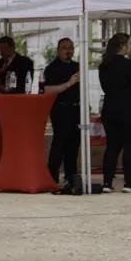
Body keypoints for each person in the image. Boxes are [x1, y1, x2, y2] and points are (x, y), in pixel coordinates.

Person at [98, 32, 131, 194]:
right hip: (130, 110)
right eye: (130, 44)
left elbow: (106, 87)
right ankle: (129, 182)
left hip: (110, 109)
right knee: (130, 146)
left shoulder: (103, 66)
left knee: (112, 146)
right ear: (123, 45)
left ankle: (107, 182)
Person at [41, 37, 82, 194]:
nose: (68, 50)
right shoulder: (52, 68)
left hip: (76, 109)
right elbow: (48, 90)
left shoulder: (78, 66)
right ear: (58, 50)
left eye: (71, 47)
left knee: (73, 145)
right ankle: (52, 177)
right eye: (64, 47)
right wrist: (69, 83)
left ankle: (71, 179)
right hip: (61, 109)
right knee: (59, 143)